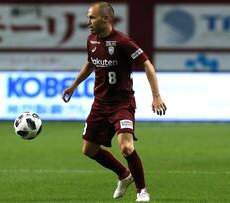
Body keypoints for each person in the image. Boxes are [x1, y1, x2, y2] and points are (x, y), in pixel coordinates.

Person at [62, 1, 166, 202]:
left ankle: (142, 191)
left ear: (106, 18)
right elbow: (91, 63)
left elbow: (147, 64)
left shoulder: (122, 42)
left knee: (126, 147)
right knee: (89, 150)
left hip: (122, 104)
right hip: (100, 104)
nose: (88, 21)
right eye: (88, 17)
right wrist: (74, 85)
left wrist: (156, 96)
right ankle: (123, 174)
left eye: (92, 17)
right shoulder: (91, 40)